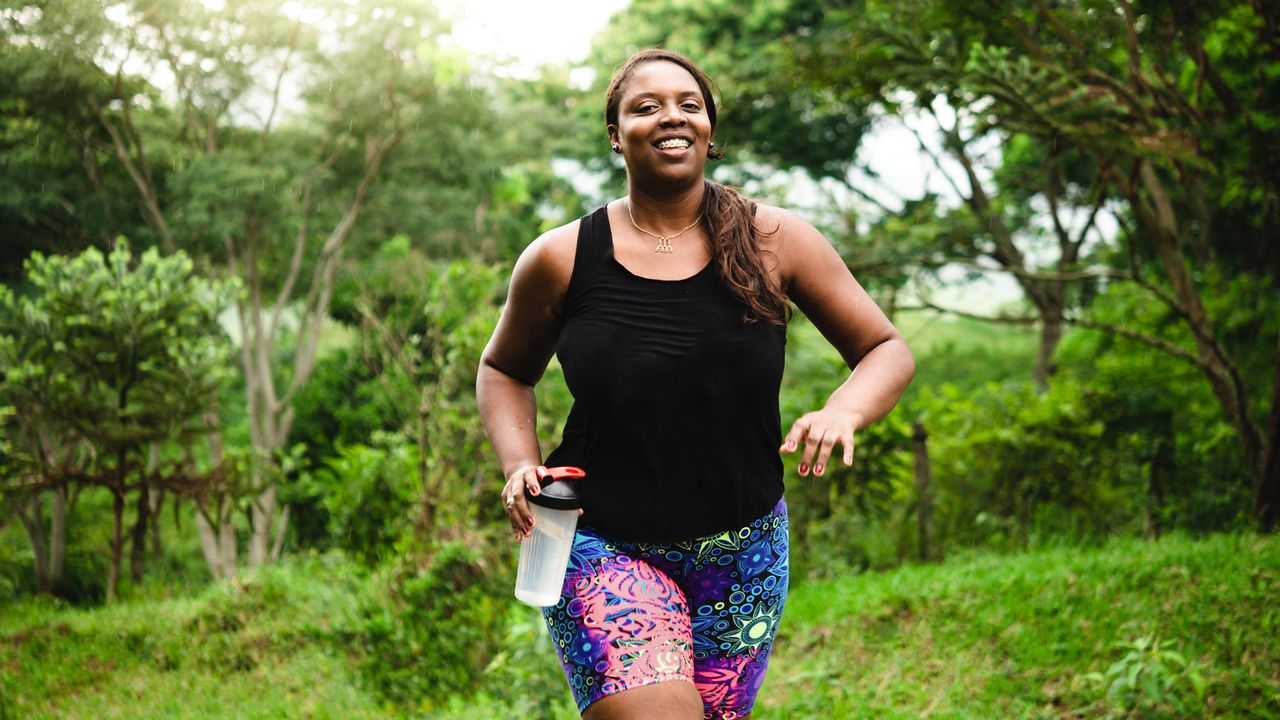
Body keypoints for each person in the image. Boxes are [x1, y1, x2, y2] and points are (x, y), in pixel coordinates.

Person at [477, 48, 915, 720]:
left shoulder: (776, 240)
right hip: (596, 536)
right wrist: (520, 464)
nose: (671, 117)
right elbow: (505, 369)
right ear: (616, 135)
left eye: (689, 103)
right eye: (645, 107)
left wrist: (844, 410)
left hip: (743, 551)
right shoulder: (561, 257)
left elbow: (884, 347)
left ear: (710, 126)